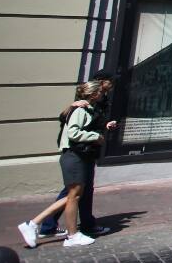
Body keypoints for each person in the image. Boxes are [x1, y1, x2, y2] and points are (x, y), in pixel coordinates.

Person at [16, 81, 117, 248]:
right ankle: (69, 235)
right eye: (100, 92)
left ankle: (35, 224)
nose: (102, 94)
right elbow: (73, 132)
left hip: (79, 155)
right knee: (74, 196)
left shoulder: (87, 108)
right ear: (93, 94)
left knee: (72, 196)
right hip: (74, 155)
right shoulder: (80, 108)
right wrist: (95, 137)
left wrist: (103, 126)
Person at [38, 70, 116, 238]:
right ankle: (45, 224)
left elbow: (94, 121)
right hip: (78, 151)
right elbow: (68, 121)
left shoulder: (99, 100)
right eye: (109, 85)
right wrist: (95, 135)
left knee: (77, 190)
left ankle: (49, 225)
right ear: (101, 83)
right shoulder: (85, 100)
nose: (110, 89)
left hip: (86, 150)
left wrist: (105, 125)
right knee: (75, 191)